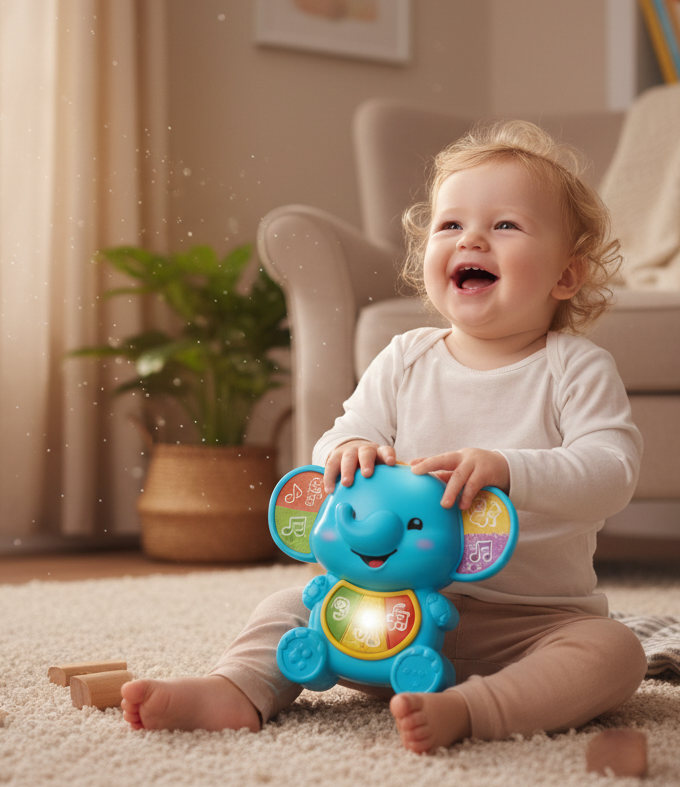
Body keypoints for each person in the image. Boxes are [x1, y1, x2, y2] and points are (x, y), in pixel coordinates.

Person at [122, 119, 647, 753]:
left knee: (614, 652)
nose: (471, 237)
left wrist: (509, 468)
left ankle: (477, 709)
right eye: (450, 225)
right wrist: (348, 452)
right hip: (388, 615)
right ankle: (234, 689)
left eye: (505, 225)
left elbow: (611, 472)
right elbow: (341, 440)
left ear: (566, 276)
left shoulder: (575, 367)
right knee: (290, 607)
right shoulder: (405, 358)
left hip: (528, 626)